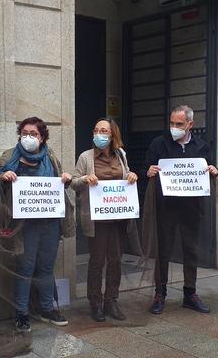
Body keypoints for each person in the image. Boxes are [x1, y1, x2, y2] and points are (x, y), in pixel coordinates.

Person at [0, 117, 72, 333]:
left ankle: (46, 308)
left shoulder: (50, 156)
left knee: (46, 268)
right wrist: (3, 176)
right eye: (25, 133)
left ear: (42, 137)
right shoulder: (10, 156)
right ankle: (21, 313)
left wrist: (64, 178)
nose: (29, 137)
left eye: (34, 134)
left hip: (49, 223)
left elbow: (59, 180)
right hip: (23, 225)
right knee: (25, 268)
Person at [143, 104, 218, 315]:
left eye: (179, 124)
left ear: (190, 124)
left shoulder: (201, 147)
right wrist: (148, 170)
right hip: (165, 207)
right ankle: (160, 294)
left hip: (191, 208)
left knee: (191, 251)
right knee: (163, 251)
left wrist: (213, 170)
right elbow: (144, 169)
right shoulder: (159, 144)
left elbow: (210, 168)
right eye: (172, 123)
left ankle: (190, 294)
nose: (174, 127)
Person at [72, 118, 138, 322]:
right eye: (96, 130)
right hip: (96, 220)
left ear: (112, 135)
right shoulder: (86, 157)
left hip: (117, 218)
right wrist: (85, 179)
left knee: (115, 260)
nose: (99, 134)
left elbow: (126, 176)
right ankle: (95, 302)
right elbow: (74, 183)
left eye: (104, 131)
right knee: (97, 261)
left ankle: (111, 300)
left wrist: (131, 176)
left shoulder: (121, 155)